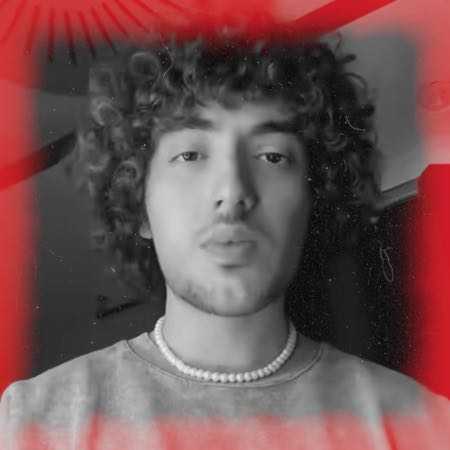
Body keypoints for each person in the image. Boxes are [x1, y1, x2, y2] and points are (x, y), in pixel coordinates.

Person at [1, 33, 449, 449]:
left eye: (272, 156)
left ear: (312, 199)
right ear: (138, 205)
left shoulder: (424, 424)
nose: (233, 192)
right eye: (190, 154)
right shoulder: (30, 421)